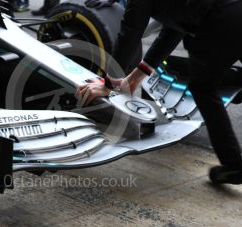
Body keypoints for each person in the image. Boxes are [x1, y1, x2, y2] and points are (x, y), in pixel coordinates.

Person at [79, 0, 242, 184]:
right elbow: (175, 28)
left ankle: (233, 165)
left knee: (203, 88)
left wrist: (107, 84)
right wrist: (135, 77)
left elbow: (131, 33)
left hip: (222, 20)